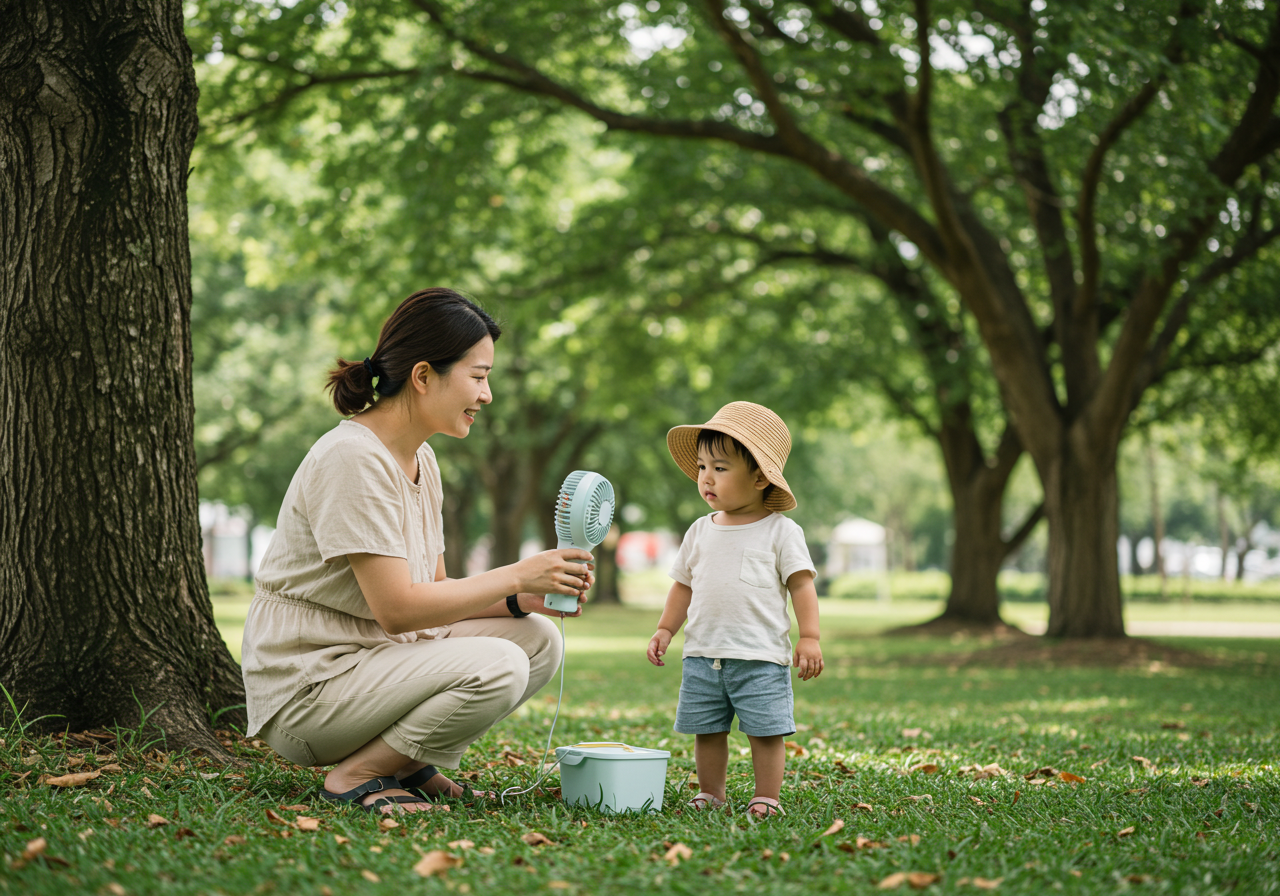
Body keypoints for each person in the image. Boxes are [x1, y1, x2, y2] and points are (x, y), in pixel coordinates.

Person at [241, 287, 594, 814]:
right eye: (478, 376)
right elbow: (399, 610)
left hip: (370, 665)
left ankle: (408, 765)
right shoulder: (351, 459)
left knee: (537, 641)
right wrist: (519, 574)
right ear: (424, 376)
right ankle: (358, 774)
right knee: (498, 663)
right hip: (309, 689)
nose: (487, 394)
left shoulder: (422, 460)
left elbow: (435, 595)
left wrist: (525, 599)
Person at [646, 401, 823, 819]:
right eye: (703, 467)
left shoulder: (781, 531)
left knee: (766, 731)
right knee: (707, 730)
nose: (706, 477)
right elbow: (682, 586)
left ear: (760, 477)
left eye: (720, 468)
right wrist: (666, 629)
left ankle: (766, 795)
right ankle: (712, 791)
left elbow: (802, 585)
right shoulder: (699, 530)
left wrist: (810, 636)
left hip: (759, 657)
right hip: (703, 655)